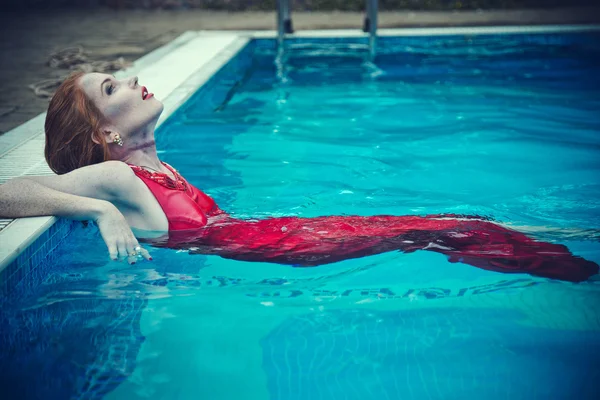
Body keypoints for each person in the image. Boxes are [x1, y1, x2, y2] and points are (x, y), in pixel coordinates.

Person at [0, 72, 597, 282]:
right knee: (448, 230)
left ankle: (569, 245)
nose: (132, 80)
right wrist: (97, 210)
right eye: (112, 88)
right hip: (280, 247)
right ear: (104, 134)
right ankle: (580, 271)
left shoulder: (155, 166)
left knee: (462, 224)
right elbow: (7, 191)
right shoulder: (117, 179)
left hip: (281, 233)